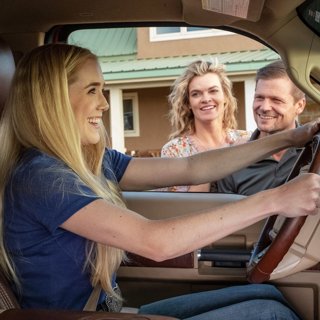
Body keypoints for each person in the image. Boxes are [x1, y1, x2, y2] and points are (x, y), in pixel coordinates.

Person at [1, 44, 320, 320]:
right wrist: (276, 199)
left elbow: (191, 168)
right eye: (92, 90)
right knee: (270, 315)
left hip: (103, 313)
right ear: (52, 98)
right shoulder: (40, 177)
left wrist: (286, 138)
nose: (105, 103)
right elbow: (154, 241)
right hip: (72, 318)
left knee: (270, 299)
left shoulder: (93, 163)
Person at [214, 60, 307, 196]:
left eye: (276, 100)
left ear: (299, 105)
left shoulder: (315, 150)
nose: (264, 107)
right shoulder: (232, 161)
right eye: (259, 97)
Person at [160, 59, 251, 192]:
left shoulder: (247, 140)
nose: (206, 99)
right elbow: (175, 206)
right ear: (188, 104)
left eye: (213, 91)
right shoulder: (174, 151)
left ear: (225, 97)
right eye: (196, 94)